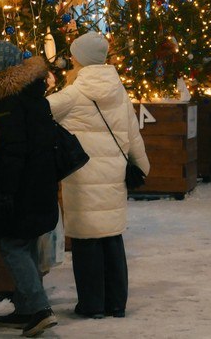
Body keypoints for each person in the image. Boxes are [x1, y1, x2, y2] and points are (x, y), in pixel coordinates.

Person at [47, 32, 150, 319]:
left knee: (86, 242)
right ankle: (116, 304)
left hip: (82, 179)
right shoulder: (119, 91)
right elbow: (132, 133)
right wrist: (142, 165)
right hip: (114, 175)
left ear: (79, 58)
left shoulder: (73, 93)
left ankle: (92, 305)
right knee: (112, 239)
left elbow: (43, 113)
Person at [0, 42, 59, 337]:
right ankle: (25, 308)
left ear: (1, 67)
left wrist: (5, 192)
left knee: (12, 246)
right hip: (38, 185)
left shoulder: (8, 102)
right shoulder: (31, 95)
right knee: (27, 245)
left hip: (21, 187)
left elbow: (12, 151)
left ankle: (39, 310)